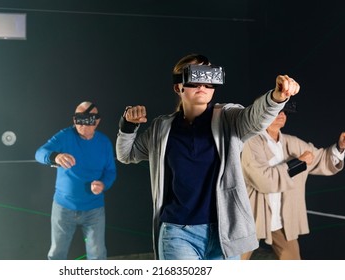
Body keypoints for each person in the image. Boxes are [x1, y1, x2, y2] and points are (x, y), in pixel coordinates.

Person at [115, 53, 300, 260]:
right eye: (195, 78)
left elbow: (255, 118)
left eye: (209, 77)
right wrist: (128, 126)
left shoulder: (229, 118)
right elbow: (126, 154)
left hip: (224, 233)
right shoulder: (161, 128)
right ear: (179, 87)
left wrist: (277, 97)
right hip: (178, 232)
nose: (202, 84)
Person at [240, 101, 345, 260]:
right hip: (254, 217)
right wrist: (298, 163)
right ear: (263, 114)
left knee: (293, 261)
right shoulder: (250, 143)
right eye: (277, 111)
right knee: (234, 262)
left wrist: (340, 146)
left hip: (283, 218)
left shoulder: (292, 142)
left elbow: (320, 159)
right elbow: (264, 180)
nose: (282, 115)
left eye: (285, 112)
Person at [35, 101, 117, 260]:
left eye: (87, 120)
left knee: (98, 255)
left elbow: (110, 172)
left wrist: (103, 184)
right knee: (57, 254)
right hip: (63, 207)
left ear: (97, 121)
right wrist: (55, 156)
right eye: (78, 119)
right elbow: (39, 153)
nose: (81, 125)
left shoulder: (104, 142)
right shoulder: (65, 136)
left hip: (94, 209)